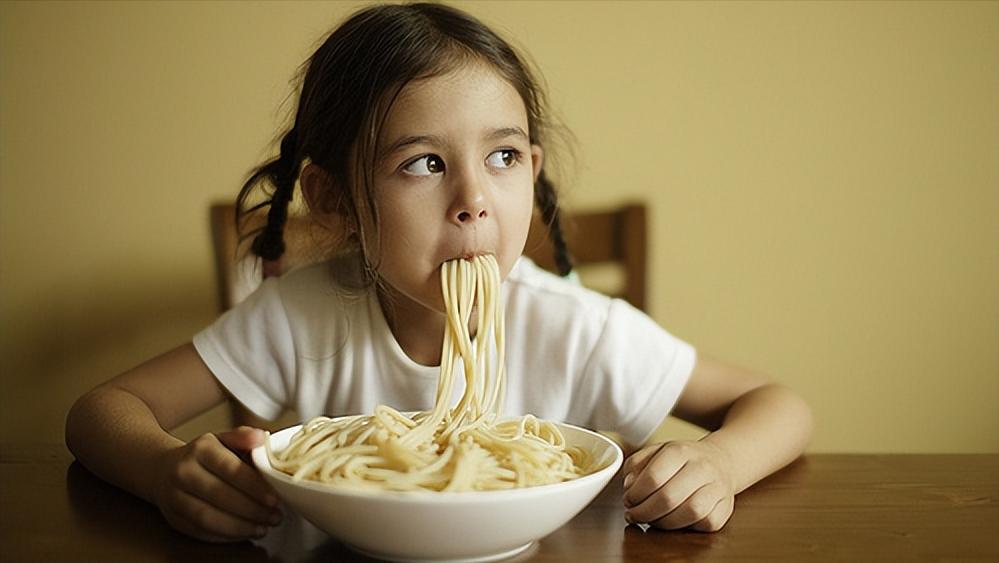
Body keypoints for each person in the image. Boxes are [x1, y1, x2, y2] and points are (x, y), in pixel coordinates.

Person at [66, 2, 812, 544]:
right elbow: (102, 410)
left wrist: (717, 459)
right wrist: (165, 471)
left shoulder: (576, 329)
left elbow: (775, 403)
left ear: (533, 170)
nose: (473, 201)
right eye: (422, 163)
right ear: (336, 199)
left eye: (502, 156)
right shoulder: (299, 316)